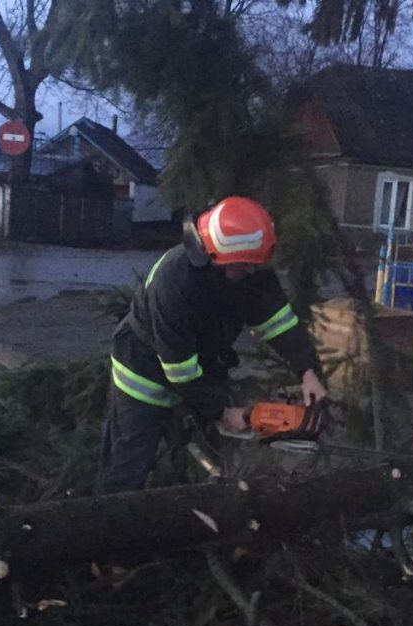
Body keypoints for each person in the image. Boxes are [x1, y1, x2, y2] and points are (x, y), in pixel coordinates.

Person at [96, 196, 328, 494]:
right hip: (145, 373)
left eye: (253, 267)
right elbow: (179, 370)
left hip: (203, 365)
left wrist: (307, 371)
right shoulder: (175, 283)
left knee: (210, 464)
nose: (249, 274)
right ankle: (109, 527)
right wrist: (220, 411)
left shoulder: (250, 272)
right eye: (242, 268)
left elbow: (280, 324)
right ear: (216, 258)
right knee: (128, 466)